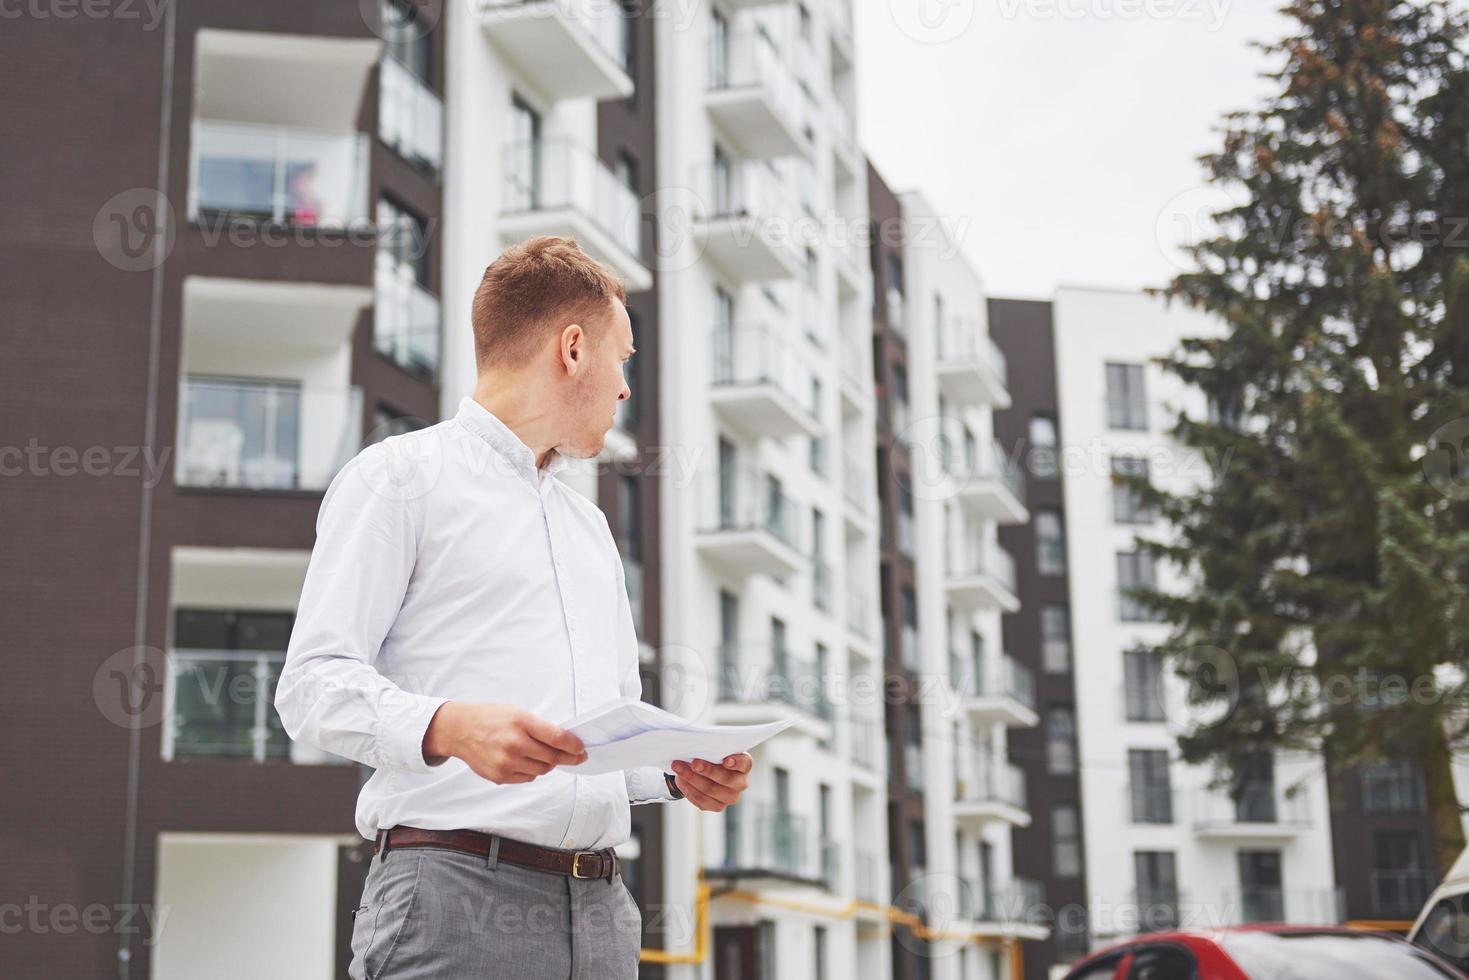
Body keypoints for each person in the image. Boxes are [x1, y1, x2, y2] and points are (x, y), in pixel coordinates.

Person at [274, 236, 752, 978]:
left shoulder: (590, 528)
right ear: (571, 349)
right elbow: (310, 686)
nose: (626, 388)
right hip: (448, 900)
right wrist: (448, 726)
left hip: (601, 914)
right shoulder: (399, 477)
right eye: (622, 358)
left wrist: (672, 769)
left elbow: (596, 742)